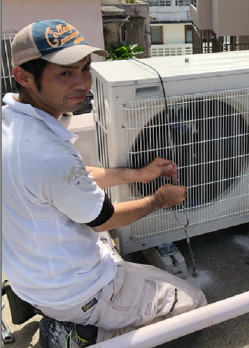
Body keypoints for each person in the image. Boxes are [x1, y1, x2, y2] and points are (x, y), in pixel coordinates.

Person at [2, 19, 206, 345]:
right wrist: (159, 199)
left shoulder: (13, 122)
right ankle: (81, 334)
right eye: (65, 73)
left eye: (85, 69)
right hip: (79, 291)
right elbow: (105, 219)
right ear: (24, 76)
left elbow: (72, 177)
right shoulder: (47, 153)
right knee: (195, 307)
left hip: (34, 275)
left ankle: (60, 312)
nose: (82, 82)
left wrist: (135, 175)